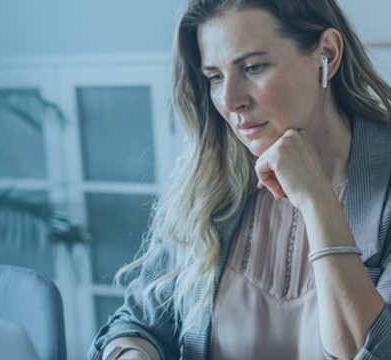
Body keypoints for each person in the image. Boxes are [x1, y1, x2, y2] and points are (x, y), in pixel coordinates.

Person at [88, 0, 391, 359]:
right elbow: (140, 322)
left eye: (253, 67)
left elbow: (373, 352)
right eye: (215, 77)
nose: (230, 100)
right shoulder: (209, 184)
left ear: (327, 53)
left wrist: (317, 200)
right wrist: (131, 353)